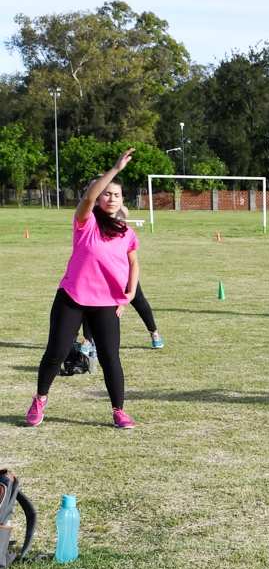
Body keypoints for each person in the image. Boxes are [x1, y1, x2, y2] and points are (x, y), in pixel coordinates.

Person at [25, 148, 140, 429]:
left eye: (116, 195)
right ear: (99, 198)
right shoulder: (85, 222)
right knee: (57, 352)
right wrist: (114, 170)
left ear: (122, 200)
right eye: (107, 194)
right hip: (73, 297)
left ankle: (118, 410)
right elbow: (88, 196)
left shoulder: (126, 232)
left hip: (106, 302)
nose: (111, 198)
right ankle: (40, 399)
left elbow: (133, 263)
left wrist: (131, 293)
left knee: (111, 357)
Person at [81, 206, 164, 351]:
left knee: (140, 303)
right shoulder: (97, 231)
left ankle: (154, 332)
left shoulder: (124, 234)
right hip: (104, 278)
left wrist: (125, 299)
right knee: (91, 305)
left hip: (124, 277)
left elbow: (133, 262)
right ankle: (88, 340)